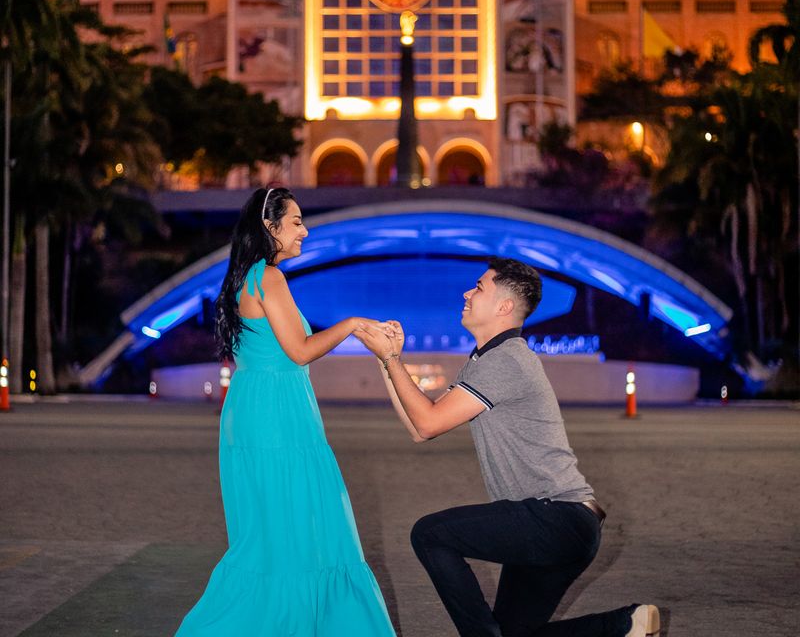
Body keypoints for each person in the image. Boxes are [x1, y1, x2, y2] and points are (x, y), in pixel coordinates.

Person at [355, 257, 660, 637]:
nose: (467, 292)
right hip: (561, 522)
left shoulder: (506, 361)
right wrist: (390, 362)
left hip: (555, 518)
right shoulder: (487, 361)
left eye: (478, 287)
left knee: (429, 534)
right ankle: (623, 625)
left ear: (504, 307)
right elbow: (421, 428)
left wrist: (390, 358)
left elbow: (427, 422)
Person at [176, 187, 396, 637]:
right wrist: (353, 324)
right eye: (296, 222)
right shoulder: (268, 277)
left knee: (272, 540)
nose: (306, 230)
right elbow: (299, 351)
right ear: (270, 226)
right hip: (278, 420)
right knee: (308, 529)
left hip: (257, 413)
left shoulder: (244, 275)